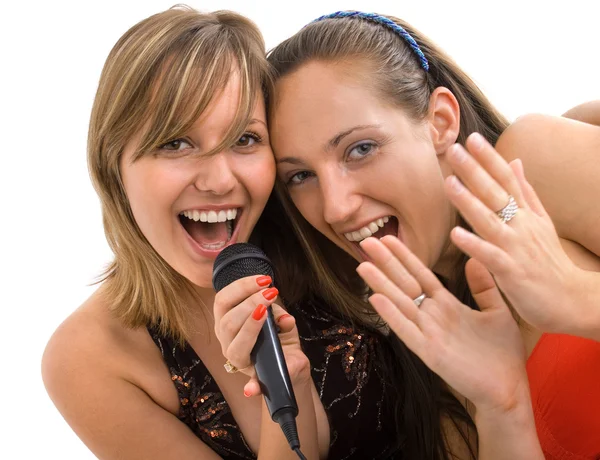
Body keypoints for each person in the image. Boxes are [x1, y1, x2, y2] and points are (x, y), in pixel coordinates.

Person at [41, 6, 401, 460]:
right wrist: (286, 387)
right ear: (114, 166)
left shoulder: (324, 227)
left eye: (244, 139)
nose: (219, 181)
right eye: (176, 143)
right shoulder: (89, 359)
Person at [266, 10, 600, 459]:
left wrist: (577, 297)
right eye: (301, 176)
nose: (335, 207)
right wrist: (502, 408)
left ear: (441, 121)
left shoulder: (530, 169)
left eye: (361, 149)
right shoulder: (424, 364)